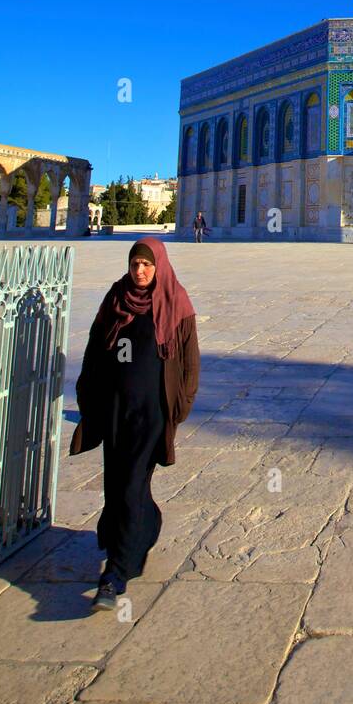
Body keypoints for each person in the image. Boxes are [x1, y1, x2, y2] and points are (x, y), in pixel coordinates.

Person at [70, 237, 200, 611]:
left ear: (159, 265)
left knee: (129, 483)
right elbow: (96, 349)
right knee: (118, 481)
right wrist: (87, 395)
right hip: (115, 410)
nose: (140, 271)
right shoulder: (116, 298)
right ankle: (148, 524)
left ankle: (116, 574)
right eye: (135, 264)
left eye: (147, 264)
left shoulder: (175, 302)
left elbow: (190, 360)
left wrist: (181, 405)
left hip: (152, 412)